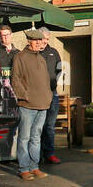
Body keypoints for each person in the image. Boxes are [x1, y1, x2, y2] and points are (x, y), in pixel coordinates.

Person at [11, 29, 52, 181]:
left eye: (40, 41)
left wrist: (47, 97)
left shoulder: (41, 58)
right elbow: (15, 80)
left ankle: (34, 167)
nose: (39, 43)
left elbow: (46, 80)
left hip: (43, 104)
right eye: (36, 41)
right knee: (24, 137)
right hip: (27, 105)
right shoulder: (19, 57)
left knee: (36, 138)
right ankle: (24, 168)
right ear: (29, 41)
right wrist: (25, 96)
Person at [37, 26, 63, 166]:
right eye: (43, 39)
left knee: (50, 126)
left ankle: (50, 154)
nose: (45, 42)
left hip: (52, 93)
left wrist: (54, 82)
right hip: (38, 95)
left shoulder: (54, 52)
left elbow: (59, 70)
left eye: (47, 39)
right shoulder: (34, 53)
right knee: (38, 126)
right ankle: (37, 155)